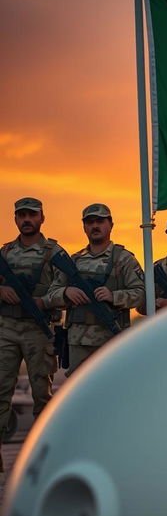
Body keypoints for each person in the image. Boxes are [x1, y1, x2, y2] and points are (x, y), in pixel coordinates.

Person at [0, 198, 64, 471]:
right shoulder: (5, 253)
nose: (26, 219)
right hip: (6, 329)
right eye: (21, 215)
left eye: (31, 215)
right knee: (1, 392)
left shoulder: (54, 253)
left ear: (42, 218)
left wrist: (43, 302)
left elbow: (65, 289)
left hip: (39, 331)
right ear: (16, 219)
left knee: (42, 394)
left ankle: (42, 458)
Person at [46, 204, 145, 376]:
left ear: (111, 224)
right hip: (78, 342)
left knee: (114, 389)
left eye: (100, 221)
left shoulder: (124, 260)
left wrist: (113, 296)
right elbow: (50, 296)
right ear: (84, 227)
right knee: (79, 393)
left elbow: (141, 295)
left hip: (113, 341)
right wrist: (66, 293)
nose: (95, 226)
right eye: (90, 222)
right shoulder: (73, 261)